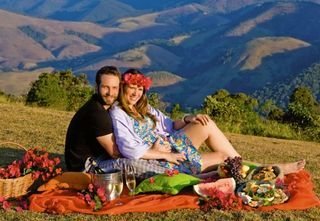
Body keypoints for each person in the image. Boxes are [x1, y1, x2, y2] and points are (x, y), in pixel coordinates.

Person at [109, 68, 306, 176]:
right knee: (222, 157)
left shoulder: (145, 108)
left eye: (140, 89)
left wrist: (188, 119)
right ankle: (264, 169)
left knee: (205, 122)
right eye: (132, 88)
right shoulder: (118, 112)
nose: (136, 93)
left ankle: (264, 169)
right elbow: (129, 149)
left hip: (172, 144)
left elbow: (169, 124)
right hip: (162, 157)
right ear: (123, 88)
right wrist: (163, 155)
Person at [65, 66, 167, 178]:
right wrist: (152, 152)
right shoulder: (97, 113)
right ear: (97, 87)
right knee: (129, 164)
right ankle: (169, 175)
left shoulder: (105, 107)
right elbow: (116, 154)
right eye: (105, 87)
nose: (110, 93)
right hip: (86, 167)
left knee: (140, 157)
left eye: (115, 88)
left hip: (100, 157)